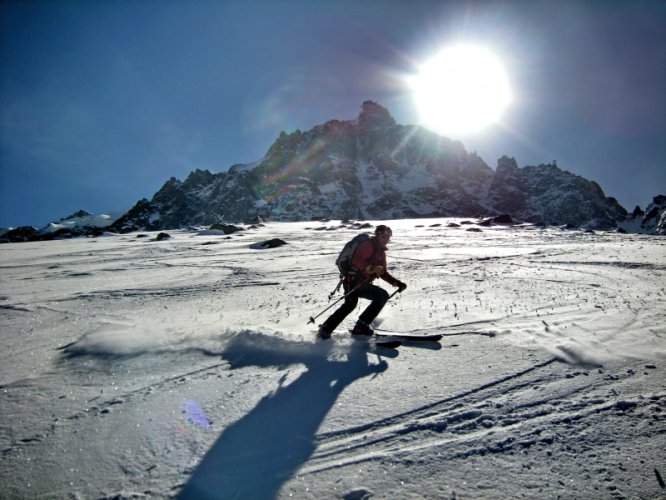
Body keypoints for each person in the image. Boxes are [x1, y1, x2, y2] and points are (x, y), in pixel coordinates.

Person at [317, 225, 407, 339]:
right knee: (353, 304)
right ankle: (346, 328)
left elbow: (382, 272)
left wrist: (397, 283)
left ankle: (354, 327)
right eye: (384, 236)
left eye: (388, 237)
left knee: (361, 301)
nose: (386, 240)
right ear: (377, 235)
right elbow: (357, 261)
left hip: (363, 283)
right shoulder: (367, 245)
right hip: (353, 281)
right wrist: (372, 268)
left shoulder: (381, 252)